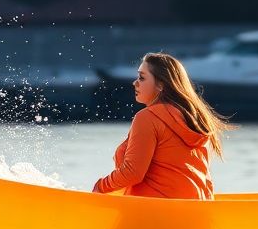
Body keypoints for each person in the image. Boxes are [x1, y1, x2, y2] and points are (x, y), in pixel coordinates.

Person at [93, 52, 229, 199]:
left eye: (142, 77)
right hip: (195, 212)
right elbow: (206, 182)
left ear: (161, 85)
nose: (135, 83)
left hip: (152, 211)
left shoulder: (148, 118)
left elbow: (132, 173)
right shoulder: (197, 119)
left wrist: (100, 187)